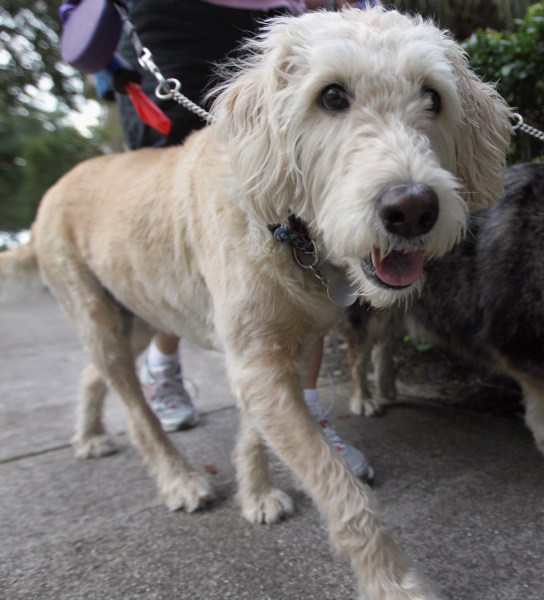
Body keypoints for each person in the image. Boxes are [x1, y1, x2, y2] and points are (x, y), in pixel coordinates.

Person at [94, 0, 374, 479]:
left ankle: (301, 408)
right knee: (181, 226)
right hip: (166, 21)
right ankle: (163, 364)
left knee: (299, 230)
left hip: (278, 16)